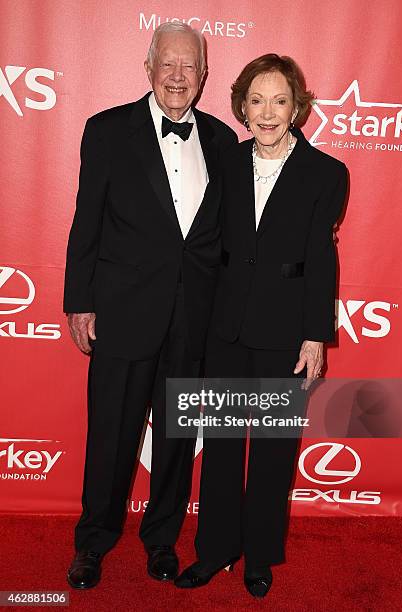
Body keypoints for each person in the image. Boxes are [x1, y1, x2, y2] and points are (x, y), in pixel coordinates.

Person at [63, 22, 237, 589]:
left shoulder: (221, 140)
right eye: (169, 64)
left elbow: (225, 239)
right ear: (149, 68)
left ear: (205, 75)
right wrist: (79, 300)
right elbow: (86, 219)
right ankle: (93, 542)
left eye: (190, 66)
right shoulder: (108, 130)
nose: (179, 76)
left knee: (178, 436)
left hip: (195, 320)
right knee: (110, 436)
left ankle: (161, 539)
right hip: (123, 312)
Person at [175, 54, 348, 597]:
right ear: (241, 107)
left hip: (286, 333)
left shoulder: (326, 173)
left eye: (279, 101)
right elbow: (206, 245)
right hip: (225, 327)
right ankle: (215, 549)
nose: (267, 113)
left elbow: (321, 258)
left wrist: (315, 333)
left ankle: (259, 556)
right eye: (256, 101)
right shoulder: (226, 161)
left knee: (274, 450)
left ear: (297, 107)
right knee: (223, 445)